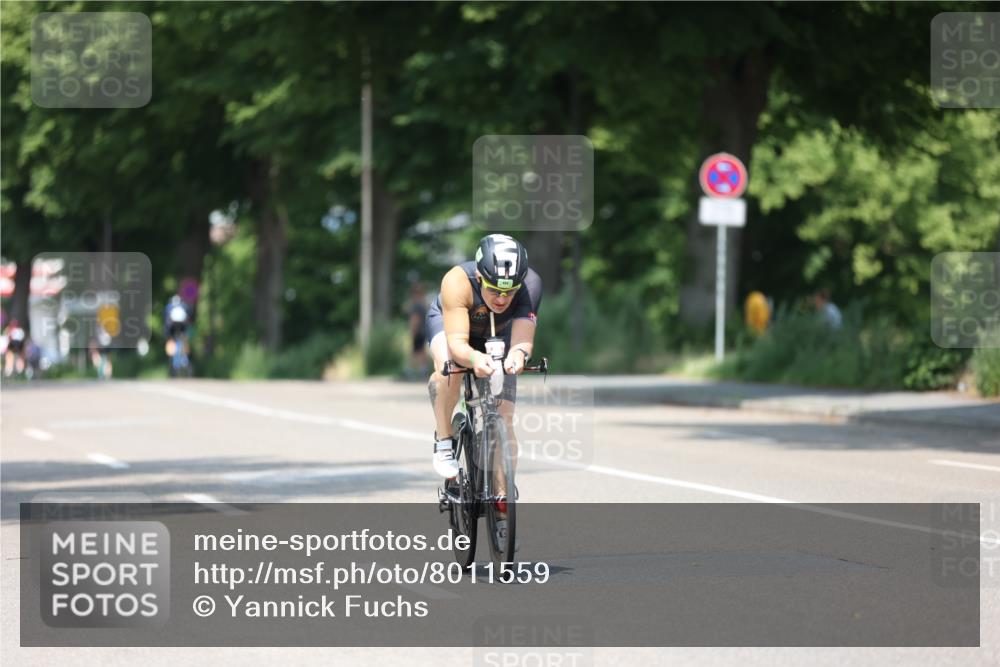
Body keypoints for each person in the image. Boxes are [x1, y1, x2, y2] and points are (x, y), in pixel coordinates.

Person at [424, 234, 542, 505]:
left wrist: (517, 357)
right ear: (479, 277)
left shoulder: (531, 284)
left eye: (510, 291)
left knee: (505, 415)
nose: (502, 299)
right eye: (494, 290)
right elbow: (457, 345)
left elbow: (523, 340)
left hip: (497, 334)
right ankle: (444, 439)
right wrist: (475, 360)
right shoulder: (456, 282)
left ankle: (501, 505)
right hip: (450, 327)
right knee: (449, 370)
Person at [407, 282, 429, 377]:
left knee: (416, 351)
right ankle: (422, 369)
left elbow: (415, 319)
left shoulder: (416, 305)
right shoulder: (423, 305)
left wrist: (413, 331)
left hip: (418, 331)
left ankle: (410, 370)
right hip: (423, 331)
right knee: (420, 350)